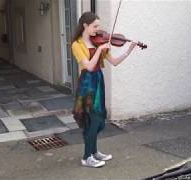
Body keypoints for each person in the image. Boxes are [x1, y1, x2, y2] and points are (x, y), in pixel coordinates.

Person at [71, 12, 136, 168]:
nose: (98, 29)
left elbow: (114, 62)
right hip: (87, 84)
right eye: (95, 26)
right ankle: (86, 157)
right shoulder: (77, 44)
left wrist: (129, 51)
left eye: (98, 26)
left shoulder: (99, 42)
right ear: (85, 26)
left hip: (98, 82)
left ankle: (93, 152)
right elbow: (88, 65)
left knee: (99, 118)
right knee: (91, 119)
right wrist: (99, 50)